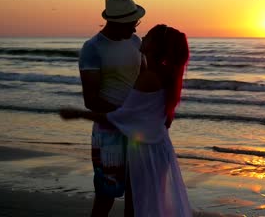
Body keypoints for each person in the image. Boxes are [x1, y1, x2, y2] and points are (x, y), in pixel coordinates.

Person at [61, 24, 192, 217]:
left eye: (148, 35)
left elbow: (121, 117)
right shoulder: (165, 74)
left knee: (137, 207)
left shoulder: (148, 78)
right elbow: (160, 119)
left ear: (155, 46)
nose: (142, 36)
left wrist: (78, 114)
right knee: (149, 204)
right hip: (158, 146)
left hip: (145, 151)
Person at [78, 0, 145, 216]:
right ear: (114, 23)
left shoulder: (136, 42)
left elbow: (144, 82)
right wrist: (124, 114)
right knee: (106, 193)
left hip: (137, 130)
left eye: (136, 23)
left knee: (136, 192)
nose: (135, 29)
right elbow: (91, 99)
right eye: (130, 24)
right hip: (108, 131)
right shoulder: (93, 48)